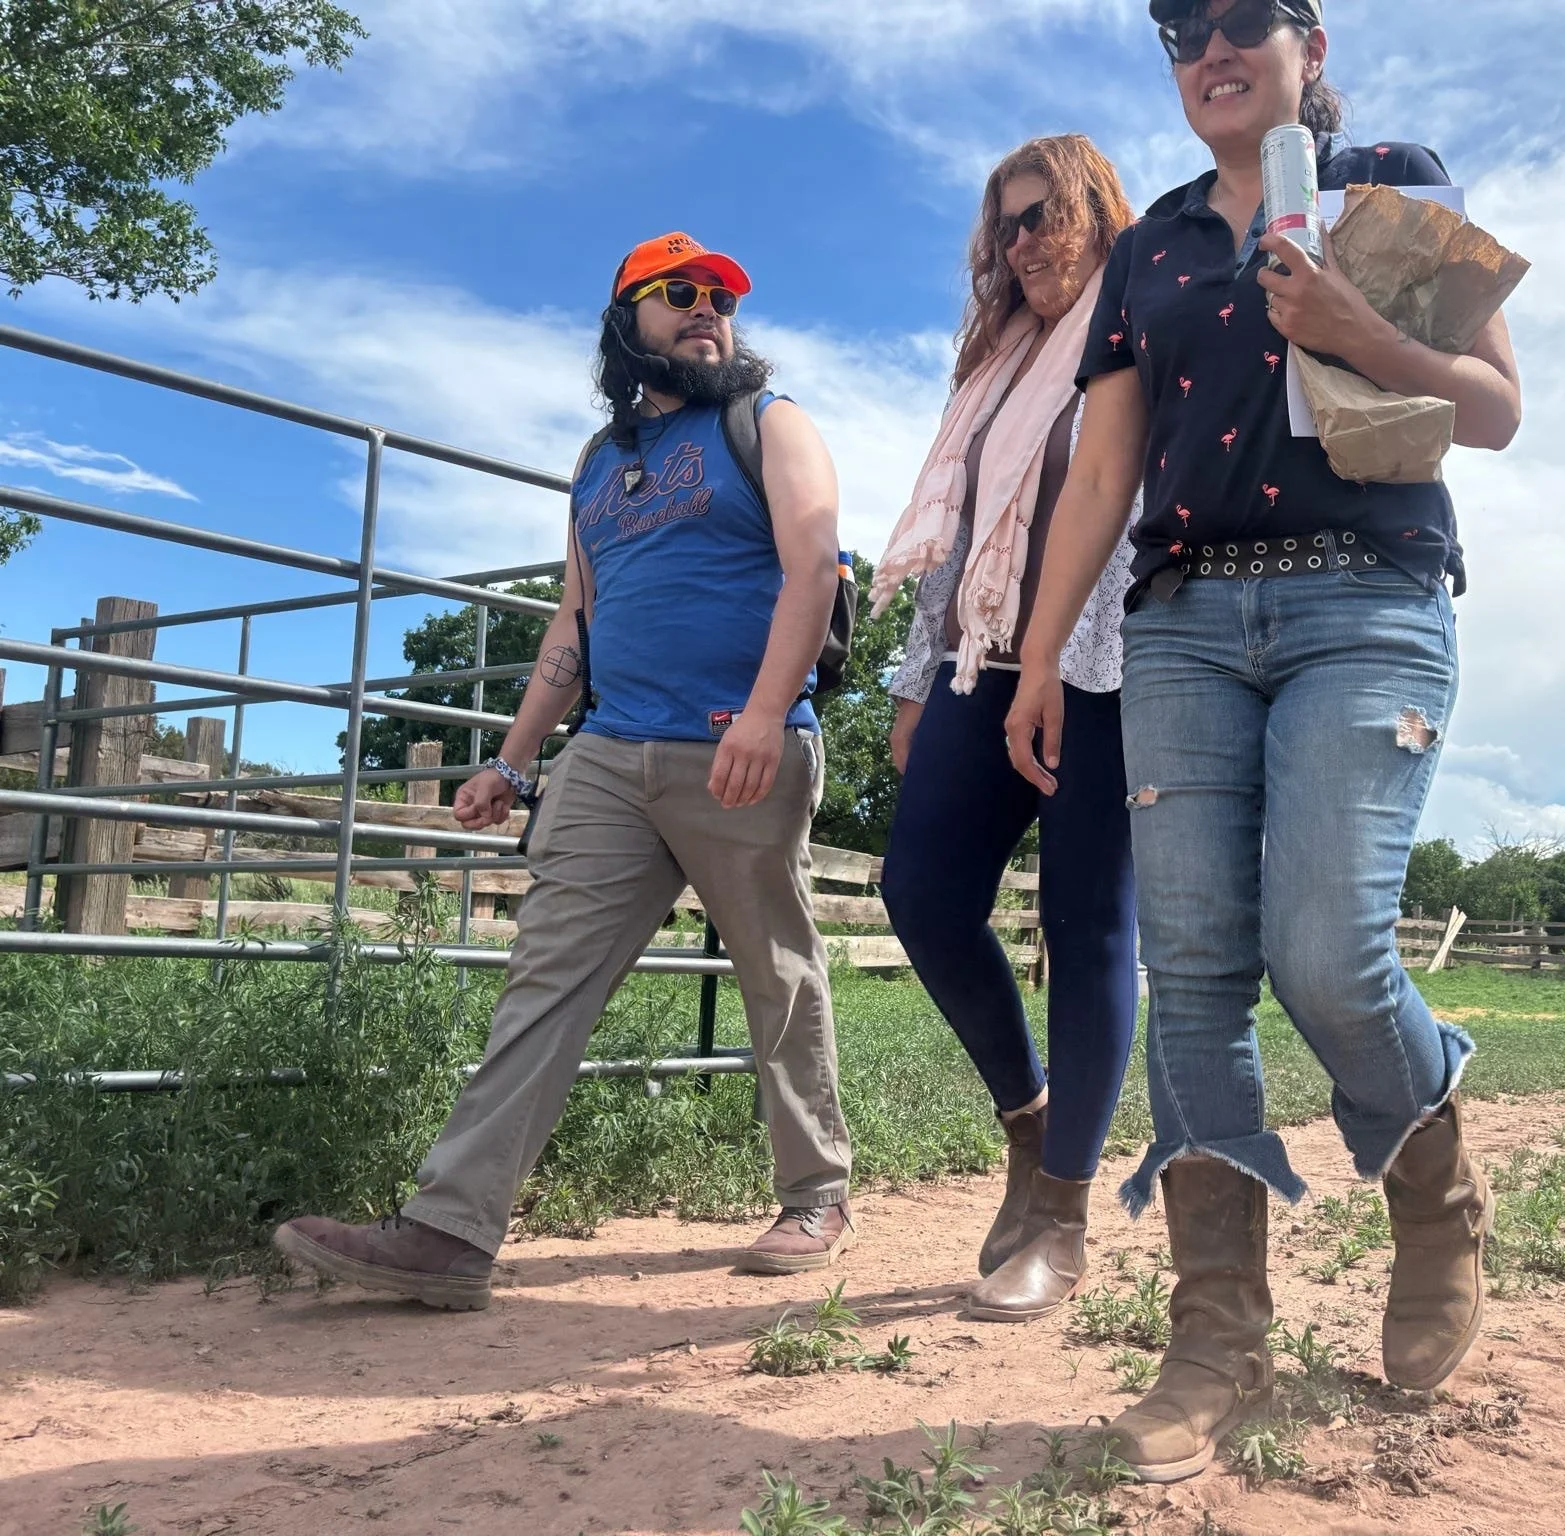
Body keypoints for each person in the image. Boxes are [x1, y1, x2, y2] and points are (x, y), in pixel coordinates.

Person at [1004, 0, 1523, 1482]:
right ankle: (1215, 1339)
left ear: (1309, 41)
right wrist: (1041, 654)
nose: (1211, 48)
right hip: (1181, 622)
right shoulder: (1150, 247)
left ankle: (1433, 1180)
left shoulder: (1392, 184)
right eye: (1181, 30)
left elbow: (1496, 409)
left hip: (1366, 600)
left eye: (1242, 18)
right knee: (1193, 974)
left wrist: (1360, 333)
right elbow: (1104, 465)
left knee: (1324, 949)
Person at [275, 231, 857, 1306]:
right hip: (609, 754)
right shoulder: (595, 466)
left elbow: (812, 565)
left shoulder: (769, 423)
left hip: (741, 746)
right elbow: (574, 620)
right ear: (625, 321)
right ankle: (450, 1231)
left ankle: (816, 1193)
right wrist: (512, 759)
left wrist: (766, 714)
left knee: (775, 973)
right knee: (544, 979)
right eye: (678, 292)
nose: (707, 308)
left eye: (722, 297)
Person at [870, 136, 1140, 1324]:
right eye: (1005, 225)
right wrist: (912, 683)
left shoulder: (1142, 322)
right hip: (979, 660)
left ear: (1096, 212)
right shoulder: (993, 364)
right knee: (919, 891)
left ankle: (1063, 1217)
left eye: (1043, 216)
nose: (1022, 243)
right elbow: (960, 532)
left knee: (1087, 924)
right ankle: (1028, 1121)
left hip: (1103, 659)